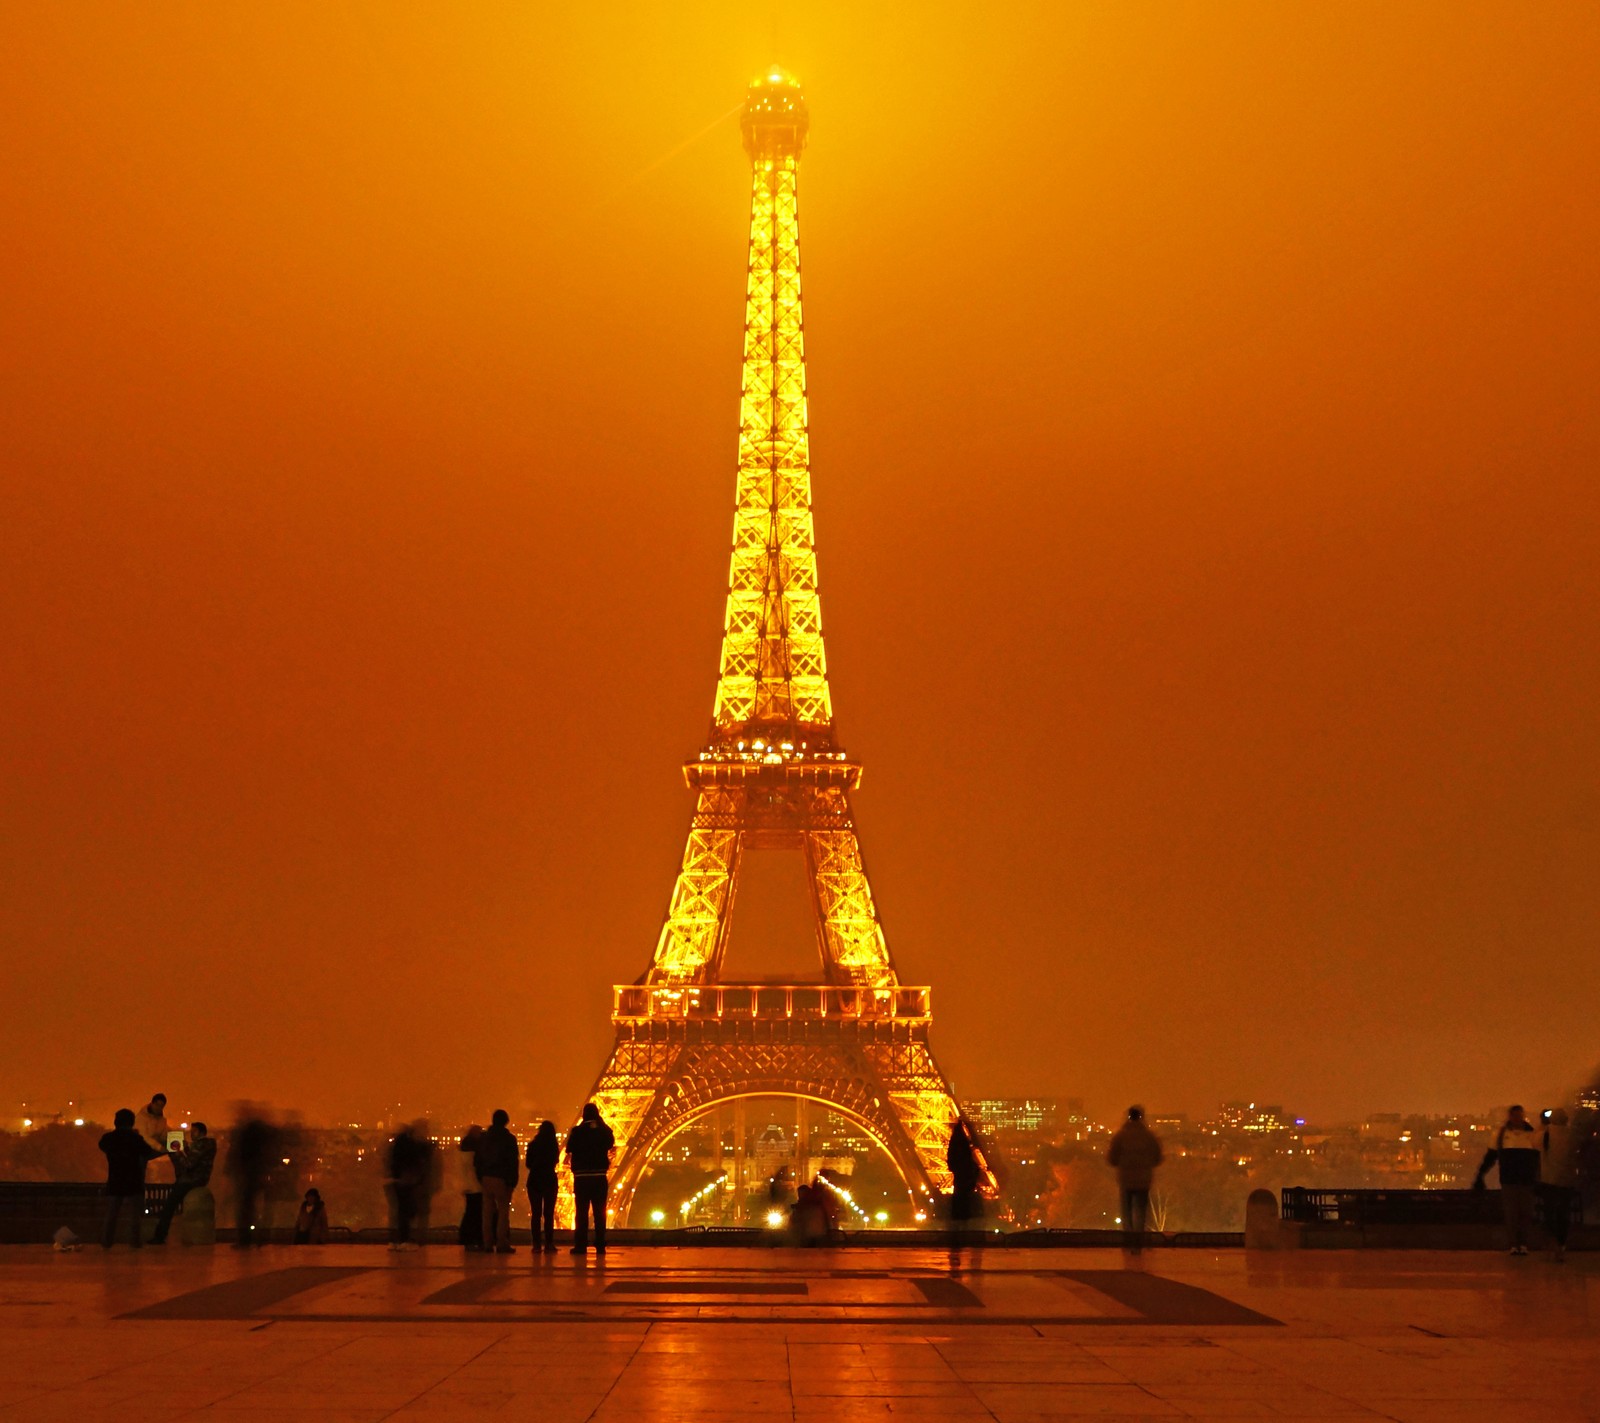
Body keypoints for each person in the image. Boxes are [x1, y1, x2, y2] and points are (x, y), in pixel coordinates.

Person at [1473, 1103, 1542, 1255]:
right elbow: (1490, 1157)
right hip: (1513, 1181)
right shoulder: (1526, 1135)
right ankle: (1515, 1244)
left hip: (1522, 1181)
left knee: (1523, 1213)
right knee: (1513, 1214)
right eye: (1516, 1116)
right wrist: (1480, 1175)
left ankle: (1521, 1244)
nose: (1518, 1119)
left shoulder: (1529, 1135)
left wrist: (1480, 1176)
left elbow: (1491, 1157)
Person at [99, 1108, 163, 1249]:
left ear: (116, 1122)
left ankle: (106, 1242)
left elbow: (102, 1146)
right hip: (134, 1180)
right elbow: (148, 1152)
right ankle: (134, 1242)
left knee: (112, 1214)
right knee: (135, 1215)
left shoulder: (108, 1139)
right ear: (132, 1122)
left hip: (115, 1179)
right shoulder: (136, 1139)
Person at [1106, 1106, 1164, 1254]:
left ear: (1128, 1117)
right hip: (1144, 1179)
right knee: (1141, 1211)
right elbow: (1157, 1158)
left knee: (1127, 1211)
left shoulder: (1120, 1136)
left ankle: (1129, 1240)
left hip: (1125, 1179)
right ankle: (1139, 1241)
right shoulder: (1149, 1137)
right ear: (1142, 1117)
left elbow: (1112, 1158)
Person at [151, 1121, 216, 1245]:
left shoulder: (200, 1146)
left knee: (169, 1206)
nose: (191, 1134)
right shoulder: (208, 1145)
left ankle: (160, 1236)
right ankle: (160, 1235)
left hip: (191, 1180)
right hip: (198, 1178)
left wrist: (177, 1153)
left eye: (194, 1132)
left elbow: (189, 1164)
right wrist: (185, 1148)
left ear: (201, 1132)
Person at [565, 1103, 615, 1255]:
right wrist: (601, 1122)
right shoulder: (602, 1130)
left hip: (582, 1177)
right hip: (599, 1176)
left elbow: (570, 1148)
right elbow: (610, 1142)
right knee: (600, 1213)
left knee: (581, 1213)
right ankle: (600, 1244)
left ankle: (581, 1245)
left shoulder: (578, 1131)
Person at [226, 1108, 278, 1248]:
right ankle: (261, 1238)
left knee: (246, 1209)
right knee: (259, 1208)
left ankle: (245, 1240)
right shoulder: (264, 1138)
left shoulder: (245, 1136)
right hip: (257, 1176)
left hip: (249, 1177)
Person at [475, 1109, 519, 1254]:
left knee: (486, 1212)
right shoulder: (509, 1139)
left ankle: (487, 1243)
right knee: (503, 1212)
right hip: (502, 1178)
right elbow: (513, 1162)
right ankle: (502, 1243)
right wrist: (512, 1181)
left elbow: (478, 1160)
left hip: (486, 1178)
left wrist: (481, 1176)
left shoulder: (484, 1138)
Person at [1540, 1107, 1577, 1262]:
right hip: (1567, 1181)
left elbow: (1532, 1143)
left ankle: (1552, 1241)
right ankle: (1561, 1243)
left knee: (1549, 1213)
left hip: (1548, 1180)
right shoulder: (1572, 1135)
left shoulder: (1544, 1134)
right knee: (1563, 1214)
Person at [386, 1122, 428, 1250]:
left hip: (399, 1180)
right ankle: (404, 1238)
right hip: (406, 1180)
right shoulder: (409, 1146)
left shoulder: (397, 1145)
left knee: (401, 1211)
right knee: (407, 1210)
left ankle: (398, 1239)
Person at [525, 1121, 560, 1254]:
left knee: (536, 1214)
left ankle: (536, 1244)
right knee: (549, 1214)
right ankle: (549, 1243)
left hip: (534, 1180)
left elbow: (528, 1163)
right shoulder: (553, 1146)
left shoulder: (533, 1145)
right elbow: (555, 1161)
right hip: (549, 1180)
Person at [946, 1120, 983, 1234]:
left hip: (961, 1178)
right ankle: (964, 1227)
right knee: (964, 1203)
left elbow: (952, 1159)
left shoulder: (955, 1143)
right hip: (965, 1178)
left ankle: (958, 1228)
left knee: (959, 1202)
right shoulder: (964, 1145)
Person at [457, 1126, 484, 1250]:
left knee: (470, 1212)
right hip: (476, 1187)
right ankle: (473, 1238)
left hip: (468, 1186)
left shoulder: (464, 1153)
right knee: (475, 1213)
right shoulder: (475, 1154)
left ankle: (466, 1238)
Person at [135, 1094, 171, 1178]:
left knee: (176, 1148)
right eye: (157, 1105)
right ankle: (139, 1183)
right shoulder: (141, 1118)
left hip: (153, 1146)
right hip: (141, 1148)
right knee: (141, 1159)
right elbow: (143, 1136)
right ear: (152, 1103)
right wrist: (159, 1147)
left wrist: (178, 1139)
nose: (159, 1108)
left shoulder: (162, 1120)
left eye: (161, 1106)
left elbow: (163, 1135)